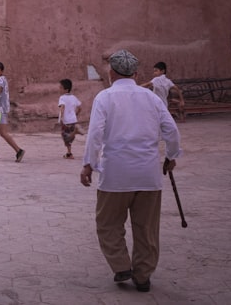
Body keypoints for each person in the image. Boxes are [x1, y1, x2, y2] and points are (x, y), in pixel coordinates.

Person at [80, 49, 182, 293]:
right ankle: (143, 275)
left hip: (116, 174)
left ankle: (121, 264)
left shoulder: (105, 97)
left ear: (111, 72)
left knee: (108, 224)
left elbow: (95, 134)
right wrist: (171, 156)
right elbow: (171, 131)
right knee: (146, 229)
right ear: (136, 73)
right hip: (148, 174)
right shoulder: (152, 98)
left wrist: (88, 164)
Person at [57, 78, 82, 159]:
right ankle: (69, 153)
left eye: (61, 88)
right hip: (73, 120)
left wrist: (61, 118)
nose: (59, 89)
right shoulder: (74, 97)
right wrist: (75, 114)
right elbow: (80, 108)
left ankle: (75, 132)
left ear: (66, 89)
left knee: (65, 136)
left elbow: (62, 107)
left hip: (66, 121)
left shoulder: (62, 98)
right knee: (68, 138)